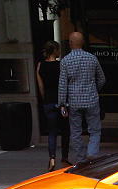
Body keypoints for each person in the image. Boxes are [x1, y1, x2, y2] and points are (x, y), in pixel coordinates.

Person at [58, 31, 106, 165]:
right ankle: (92, 153)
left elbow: (62, 84)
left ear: (71, 43)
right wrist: (95, 89)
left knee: (76, 132)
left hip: (74, 101)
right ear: (83, 42)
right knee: (95, 130)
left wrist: (62, 103)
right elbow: (102, 78)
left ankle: (80, 159)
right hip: (91, 99)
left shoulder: (65, 61)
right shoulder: (92, 58)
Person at [36, 40, 69, 171]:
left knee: (52, 132)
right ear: (55, 50)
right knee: (65, 130)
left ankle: (52, 158)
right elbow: (64, 84)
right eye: (58, 49)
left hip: (48, 102)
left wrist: (45, 99)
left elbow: (41, 87)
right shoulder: (61, 65)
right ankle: (65, 157)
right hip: (62, 102)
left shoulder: (40, 65)